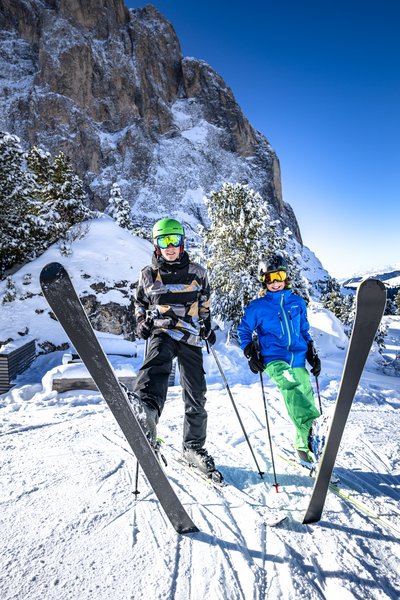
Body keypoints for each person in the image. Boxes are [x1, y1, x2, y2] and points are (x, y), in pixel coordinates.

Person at [133, 218, 222, 482]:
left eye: (174, 240)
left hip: (191, 336)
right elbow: (139, 301)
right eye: (164, 241)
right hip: (162, 330)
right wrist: (141, 322)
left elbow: (204, 303)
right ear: (157, 245)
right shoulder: (148, 274)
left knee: (196, 392)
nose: (170, 247)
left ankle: (193, 447)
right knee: (157, 364)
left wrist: (207, 326)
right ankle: (146, 409)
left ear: (182, 242)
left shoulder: (198, 272)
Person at [237, 254, 322, 465]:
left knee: (305, 397)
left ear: (286, 277)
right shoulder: (257, 307)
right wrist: (250, 351)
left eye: (279, 276)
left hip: (299, 357)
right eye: (269, 278)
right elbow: (244, 330)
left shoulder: (297, 303)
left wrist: (311, 351)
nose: (275, 282)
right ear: (263, 281)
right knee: (291, 387)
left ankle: (303, 448)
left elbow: (304, 329)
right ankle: (313, 428)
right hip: (274, 359)